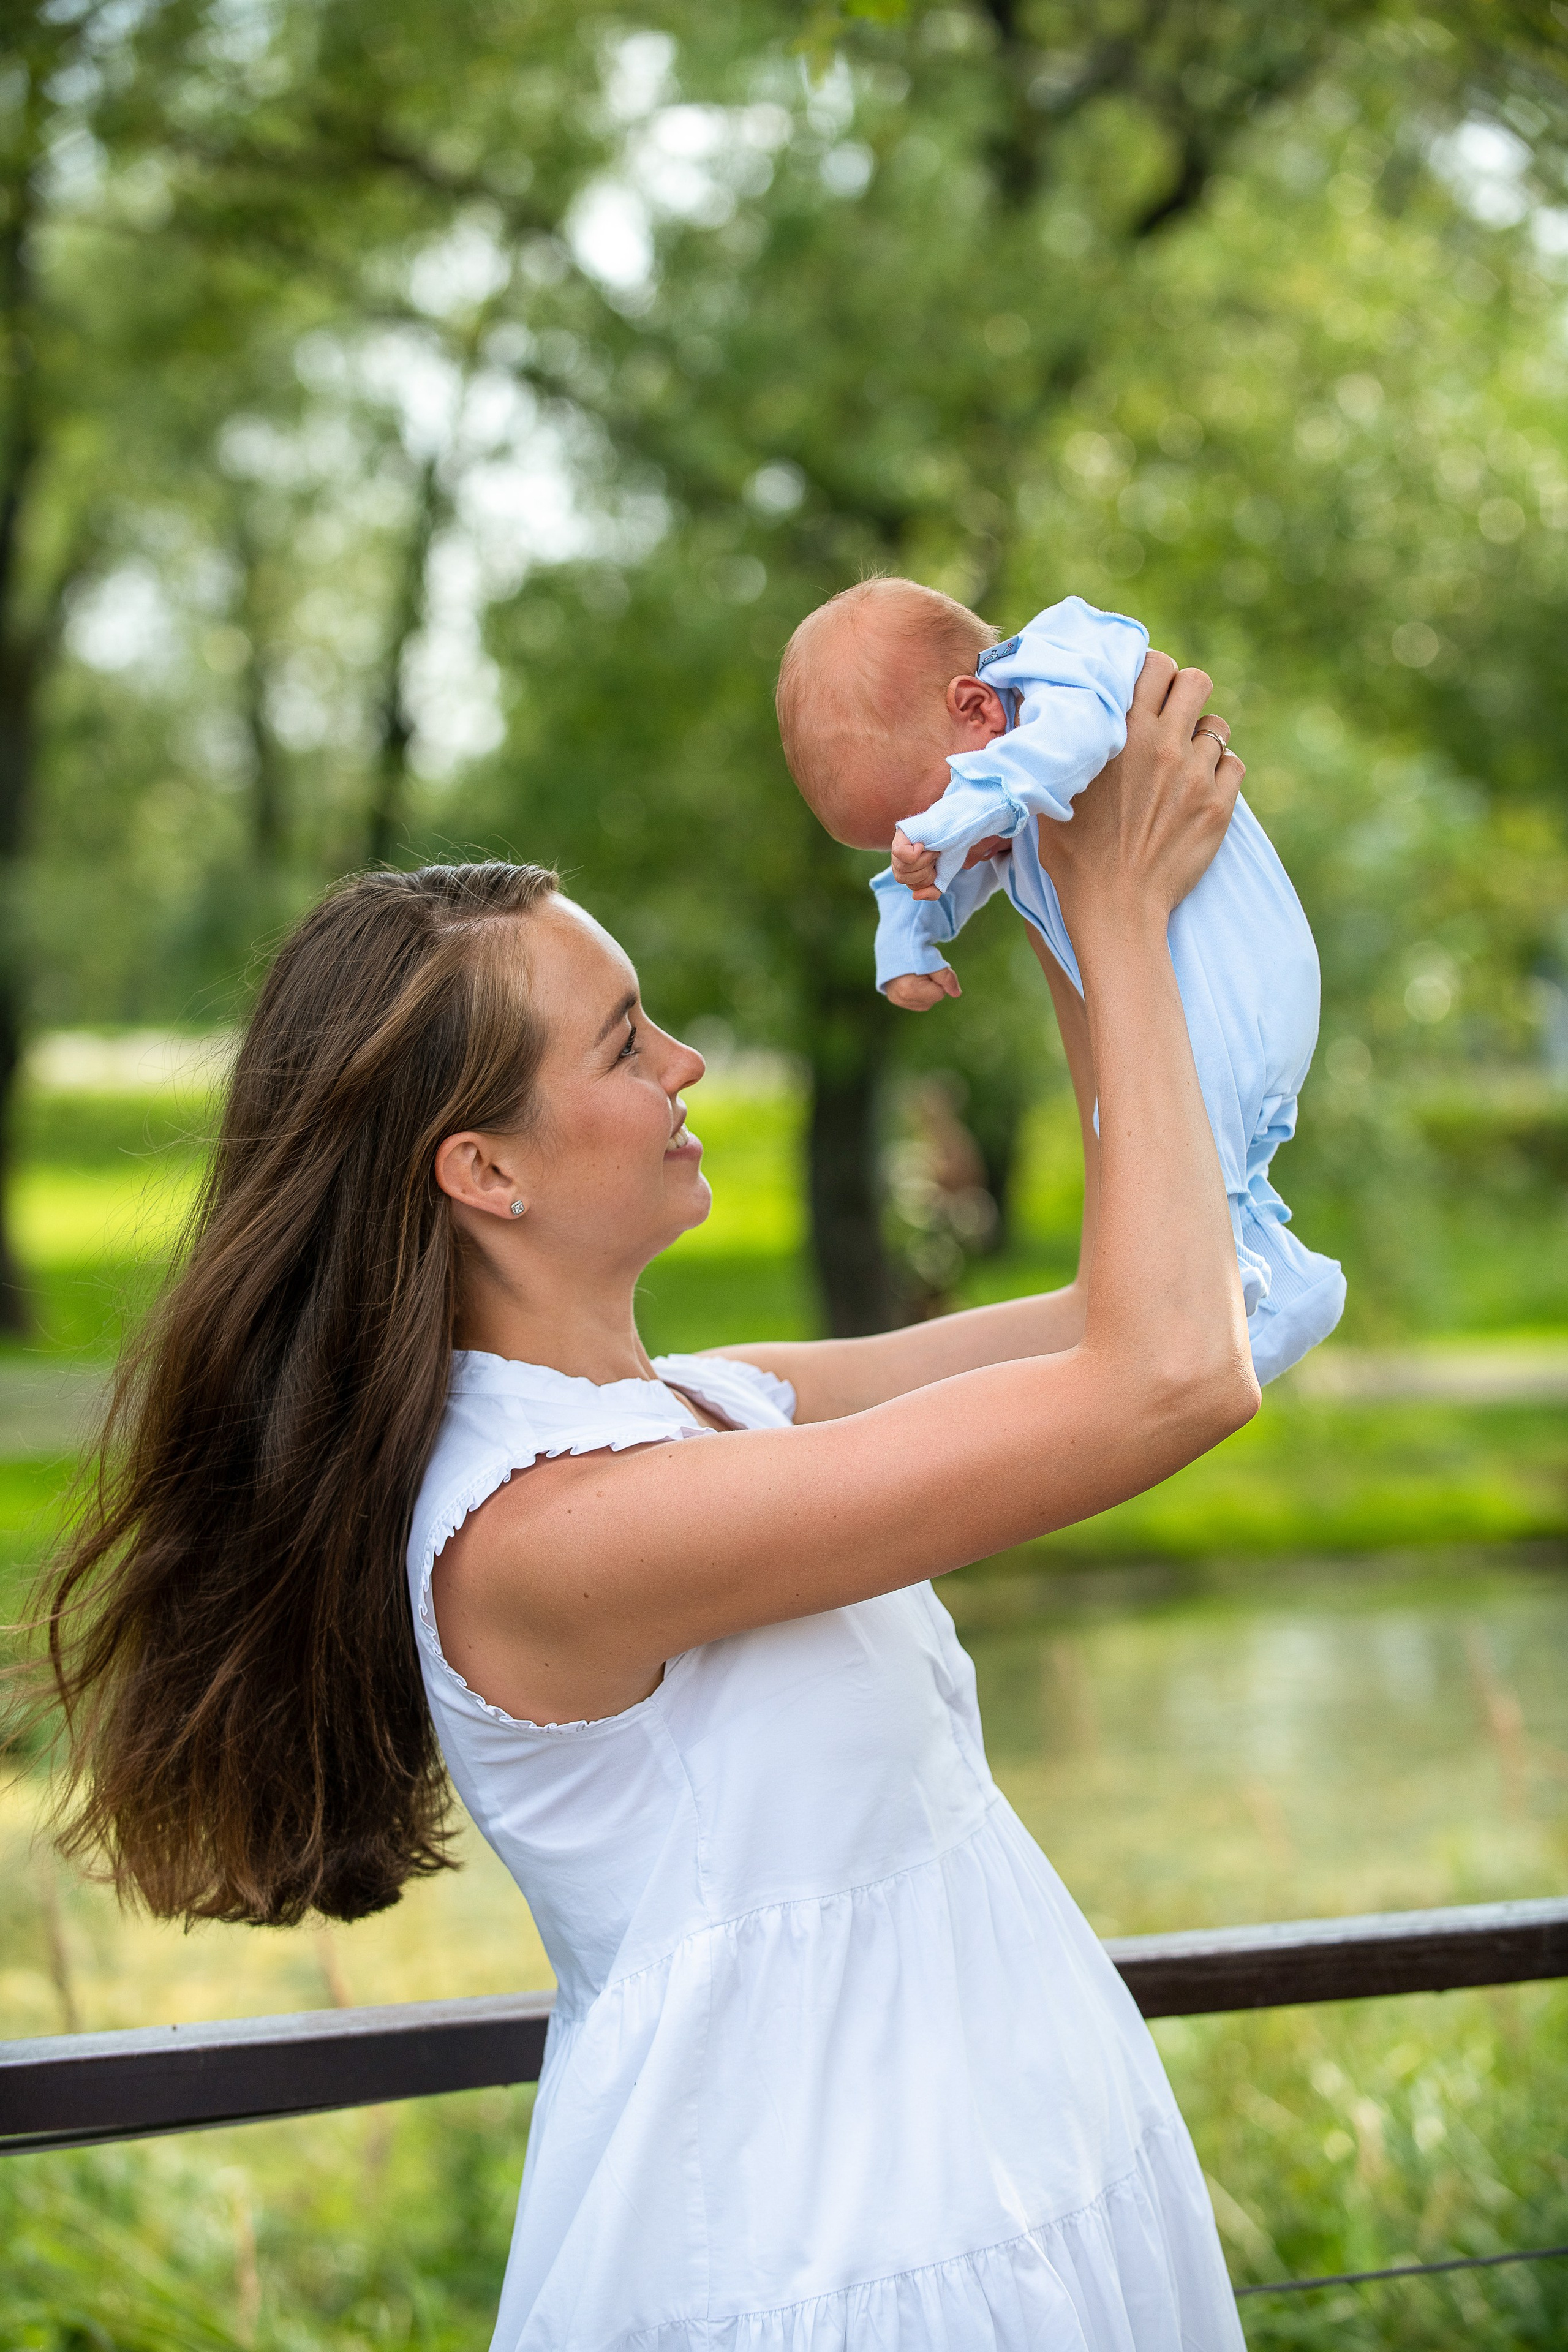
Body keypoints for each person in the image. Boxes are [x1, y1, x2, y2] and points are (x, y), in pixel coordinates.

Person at [40, 653, 1257, 2351]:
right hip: (835, 2272)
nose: (686, 1064)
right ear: (487, 1171)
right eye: (627, 1042)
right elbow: (1171, 1380)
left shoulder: (704, 1410)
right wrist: (1119, 917)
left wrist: (1050, 875)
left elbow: (1176, 1302)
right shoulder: (545, 1538)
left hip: (1021, 2181)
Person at [776, 577, 1346, 1384]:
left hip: (1241, 978)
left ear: (976, 706)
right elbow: (926, 877)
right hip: (1185, 995)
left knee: (1180, 1150)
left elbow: (1076, 740)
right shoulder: (997, 798)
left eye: (926, 812)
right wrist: (908, 947)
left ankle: (1226, 1308)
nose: (949, 842)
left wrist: (946, 821)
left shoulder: (1065, 667)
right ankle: (1272, 1279)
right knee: (1142, 1130)